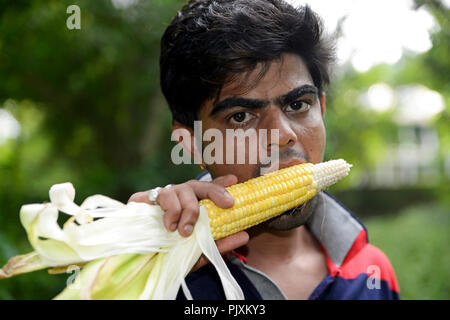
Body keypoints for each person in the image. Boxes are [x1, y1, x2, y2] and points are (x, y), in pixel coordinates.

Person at [128, 0, 400, 300]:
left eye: (298, 105)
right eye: (241, 116)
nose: (283, 135)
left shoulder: (373, 273)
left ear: (321, 110)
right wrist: (137, 266)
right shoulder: (156, 276)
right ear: (191, 144)